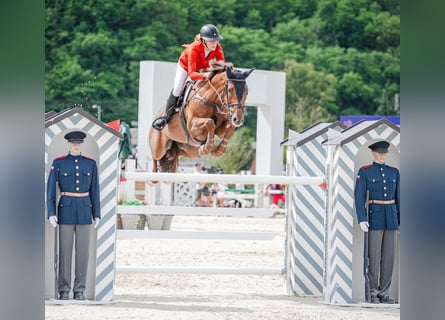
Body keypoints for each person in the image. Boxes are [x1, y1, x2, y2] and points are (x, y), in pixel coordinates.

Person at [47, 131, 101, 300]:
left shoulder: (90, 164)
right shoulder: (59, 163)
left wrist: (96, 214)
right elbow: (50, 192)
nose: (76, 146)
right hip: (66, 211)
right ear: (68, 144)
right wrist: (51, 213)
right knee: (65, 253)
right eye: (73, 143)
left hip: (85, 210)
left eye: (78, 143)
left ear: (82, 144)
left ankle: (79, 290)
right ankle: (64, 290)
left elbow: (95, 191)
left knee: (83, 253)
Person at [152, 24, 225, 131]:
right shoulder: (194, 48)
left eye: (216, 40)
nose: (214, 43)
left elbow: (221, 66)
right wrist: (205, 75)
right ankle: (166, 116)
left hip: (204, 68)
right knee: (178, 88)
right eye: (211, 40)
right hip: (186, 67)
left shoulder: (217, 47)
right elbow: (192, 74)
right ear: (203, 40)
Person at [354, 140, 400, 304]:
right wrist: (362, 218)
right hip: (374, 218)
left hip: (391, 219)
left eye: (384, 153)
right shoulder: (365, 172)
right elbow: (359, 196)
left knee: (389, 258)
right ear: (373, 153)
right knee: (373, 257)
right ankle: (373, 292)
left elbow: (399, 198)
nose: (382, 155)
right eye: (379, 152)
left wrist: (400, 220)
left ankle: (384, 292)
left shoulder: (394, 172)